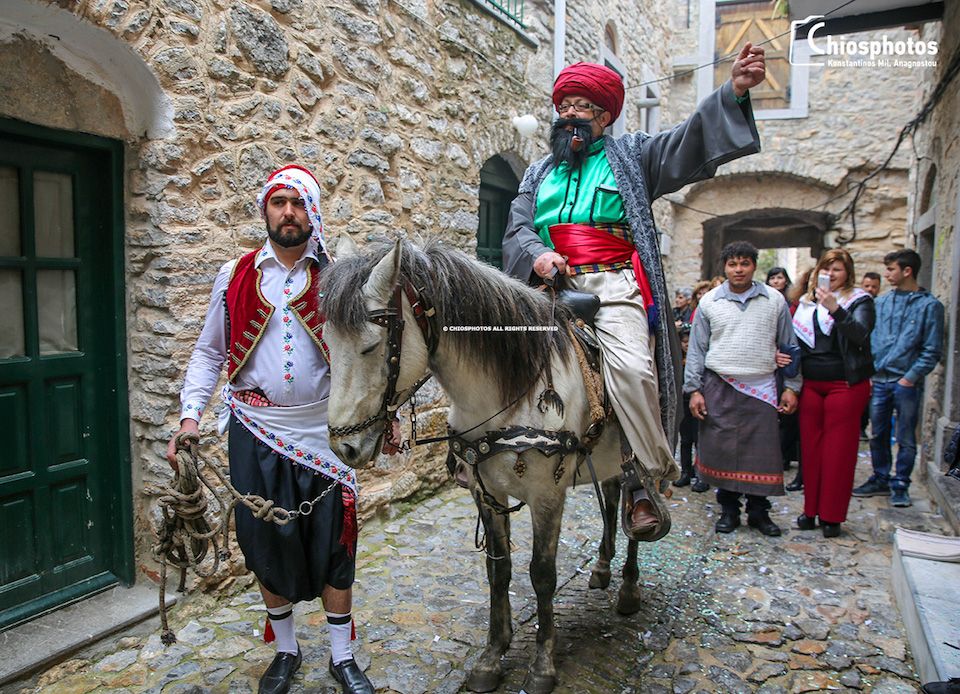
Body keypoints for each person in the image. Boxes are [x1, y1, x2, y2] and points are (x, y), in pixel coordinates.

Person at [501, 44, 767, 541]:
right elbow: (517, 228)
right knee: (495, 356)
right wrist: (537, 253)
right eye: (563, 108)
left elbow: (690, 139)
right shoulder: (537, 172)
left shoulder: (634, 156)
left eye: (581, 108)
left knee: (631, 370)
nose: (569, 116)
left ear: (604, 116)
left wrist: (733, 92)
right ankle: (483, 453)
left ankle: (638, 478)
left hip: (611, 283)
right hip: (545, 287)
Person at [167, 165, 375, 694]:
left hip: (323, 430)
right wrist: (191, 416)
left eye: (298, 203)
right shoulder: (234, 275)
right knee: (265, 542)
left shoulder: (340, 277)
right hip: (254, 427)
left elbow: (367, 357)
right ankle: (285, 650)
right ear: (266, 210)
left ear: (313, 213)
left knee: (335, 544)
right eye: (279, 202)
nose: (288, 212)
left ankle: (342, 655)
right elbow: (210, 352)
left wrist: (382, 417)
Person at [685, 241, 801, 536]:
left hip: (762, 387)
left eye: (745, 264)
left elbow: (789, 345)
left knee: (762, 454)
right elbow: (697, 350)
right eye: (733, 264)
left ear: (753, 266)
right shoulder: (709, 302)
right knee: (722, 450)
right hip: (719, 385)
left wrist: (791, 386)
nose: (739, 269)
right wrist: (694, 390)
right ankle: (728, 510)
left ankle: (759, 512)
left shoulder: (774, 300)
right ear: (724, 267)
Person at [792, 249, 875, 537]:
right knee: (811, 451)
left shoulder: (860, 301)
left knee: (837, 453)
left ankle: (831, 516)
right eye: (828, 269)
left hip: (845, 384)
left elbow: (861, 335)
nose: (833, 274)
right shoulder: (805, 303)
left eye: (838, 269)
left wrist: (836, 309)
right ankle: (810, 510)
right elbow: (799, 343)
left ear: (847, 273)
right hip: (812, 384)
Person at [853, 249, 944, 507]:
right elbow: (870, 339)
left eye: (891, 269)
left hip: (906, 381)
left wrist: (910, 377)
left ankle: (901, 482)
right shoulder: (880, 303)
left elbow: (932, 349)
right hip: (879, 379)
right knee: (877, 433)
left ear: (907, 271)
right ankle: (880, 477)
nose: (886, 274)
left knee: (905, 436)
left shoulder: (930, 306)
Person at [767, 266, 799, 473]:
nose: (776, 281)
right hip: (769, 364)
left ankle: (786, 456)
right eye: (773, 277)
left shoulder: (792, 304)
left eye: (780, 277)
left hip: (785, 363)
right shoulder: (765, 302)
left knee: (786, 416)